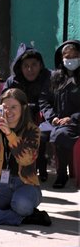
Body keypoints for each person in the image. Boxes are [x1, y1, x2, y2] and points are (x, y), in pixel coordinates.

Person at [0, 88, 51, 226]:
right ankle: (23, 218)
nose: (9, 111)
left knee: (21, 205)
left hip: (26, 185)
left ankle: (18, 210)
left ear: (23, 108)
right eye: (5, 107)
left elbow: (27, 159)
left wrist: (9, 134)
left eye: (13, 107)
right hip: (0, 186)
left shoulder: (32, 130)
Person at [3, 43, 51, 181]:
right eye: (26, 66)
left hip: (43, 119)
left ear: (40, 65)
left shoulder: (48, 78)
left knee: (40, 135)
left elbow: (50, 102)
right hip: (18, 119)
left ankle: (41, 168)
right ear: (20, 67)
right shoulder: (12, 81)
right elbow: (5, 102)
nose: (30, 69)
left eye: (34, 65)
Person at [40, 40, 80, 189]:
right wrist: (52, 117)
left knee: (60, 135)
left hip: (76, 123)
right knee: (37, 133)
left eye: (75, 56)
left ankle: (62, 174)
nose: (71, 60)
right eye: (67, 57)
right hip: (55, 121)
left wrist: (72, 118)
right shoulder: (55, 77)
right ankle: (40, 171)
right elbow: (44, 99)